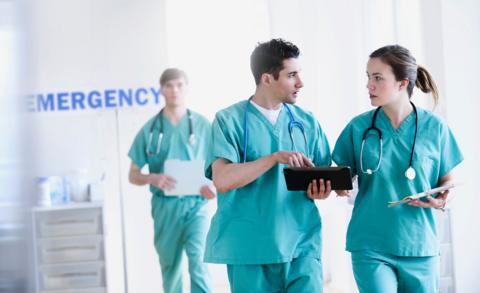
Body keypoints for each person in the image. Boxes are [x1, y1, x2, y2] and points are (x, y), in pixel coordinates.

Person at [204, 38, 332, 292]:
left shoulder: (306, 123)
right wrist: (274, 158)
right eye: (292, 75)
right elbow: (223, 179)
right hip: (250, 248)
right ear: (267, 79)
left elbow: (325, 175)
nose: (300, 83)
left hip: (301, 243)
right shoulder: (228, 121)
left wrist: (323, 190)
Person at [332, 45, 463, 292]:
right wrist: (339, 189)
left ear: (402, 84)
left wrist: (444, 198)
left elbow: (449, 181)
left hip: (419, 245)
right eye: (368, 77)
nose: (369, 85)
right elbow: (341, 179)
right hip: (371, 244)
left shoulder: (435, 127)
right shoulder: (358, 127)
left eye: (377, 78)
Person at [128, 68, 214, 293]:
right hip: (165, 208)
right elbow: (133, 174)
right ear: (161, 89)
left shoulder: (203, 126)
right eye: (169, 85)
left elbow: (219, 166)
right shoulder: (150, 130)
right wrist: (152, 178)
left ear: (186, 88)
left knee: (200, 264)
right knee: (171, 268)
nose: (174, 90)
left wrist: (213, 186)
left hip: (197, 205)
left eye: (179, 85)